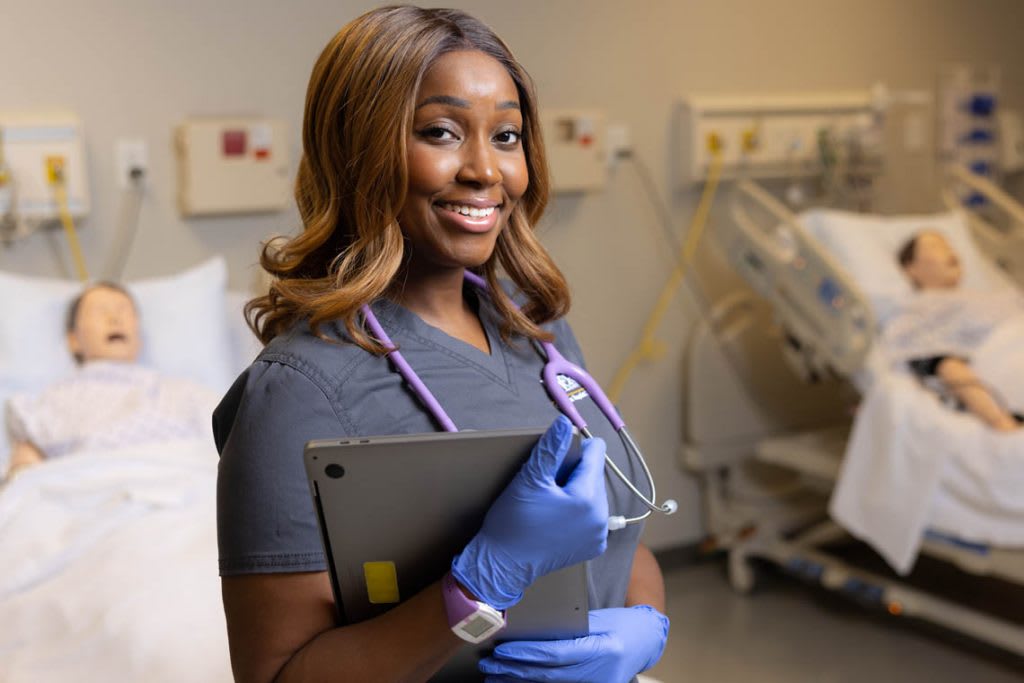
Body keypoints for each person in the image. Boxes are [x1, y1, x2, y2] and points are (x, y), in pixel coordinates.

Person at [213, 6, 669, 683]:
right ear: (357, 148)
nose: (486, 169)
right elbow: (280, 674)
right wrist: (481, 584)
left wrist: (644, 628)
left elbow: (620, 545)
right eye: (441, 132)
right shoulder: (302, 386)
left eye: (507, 135)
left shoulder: (541, 339)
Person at [4, 282, 219, 477]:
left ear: (139, 334)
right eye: (100, 312)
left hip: (182, 487)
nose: (115, 319)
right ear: (73, 340)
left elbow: (231, 446)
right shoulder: (54, 400)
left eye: (124, 311)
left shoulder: (184, 392)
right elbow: (25, 472)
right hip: (94, 497)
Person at [896, 230, 1020, 431]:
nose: (949, 251)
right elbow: (941, 363)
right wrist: (1000, 421)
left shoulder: (987, 297)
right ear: (911, 269)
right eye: (936, 246)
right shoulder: (919, 312)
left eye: (949, 245)